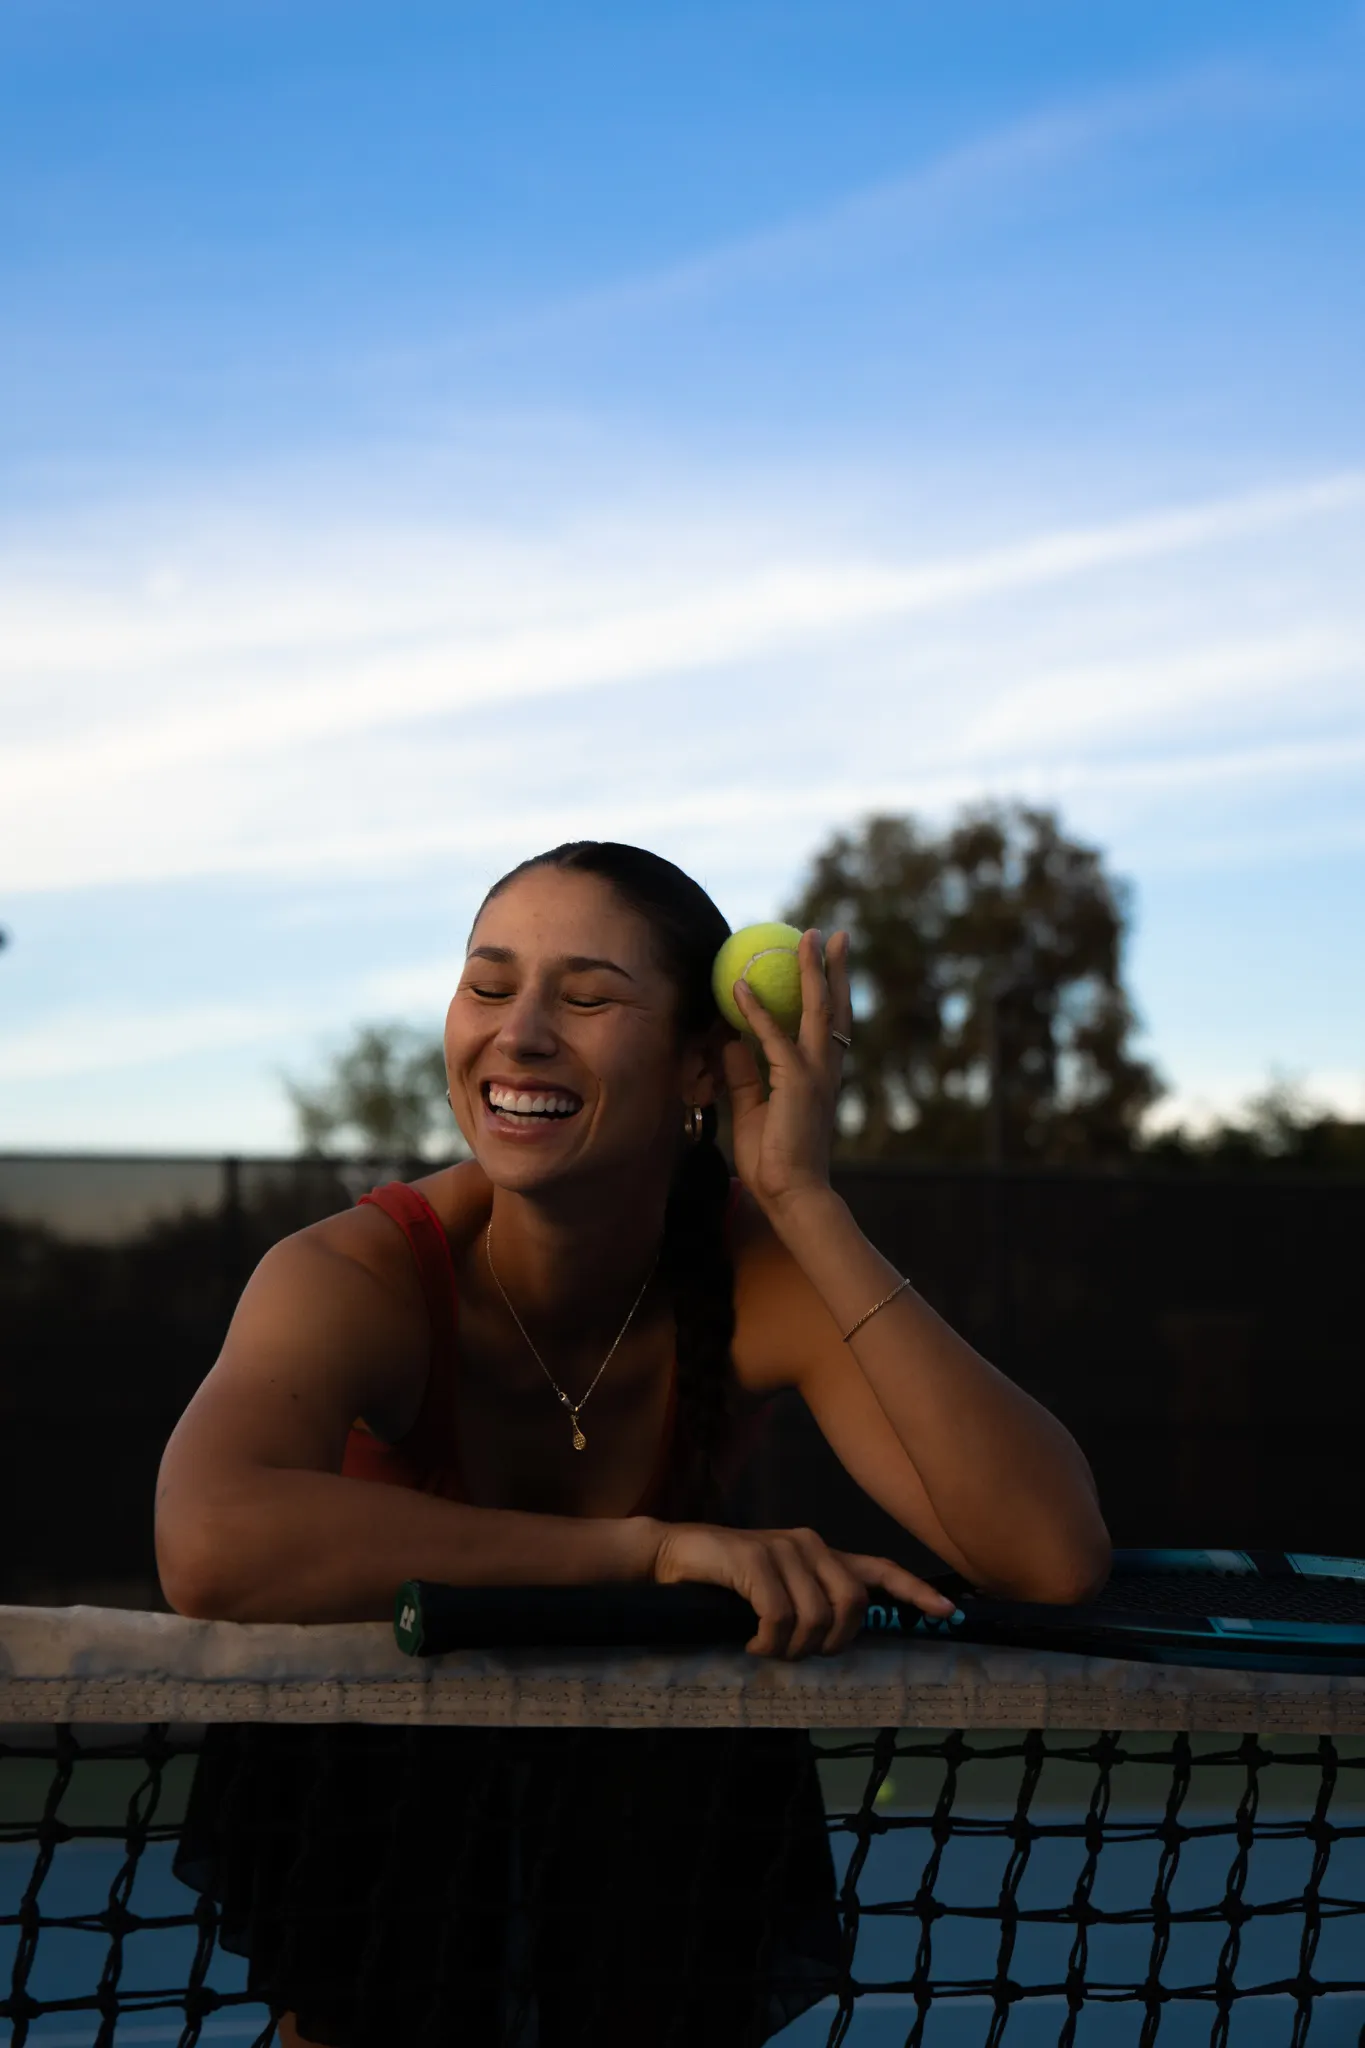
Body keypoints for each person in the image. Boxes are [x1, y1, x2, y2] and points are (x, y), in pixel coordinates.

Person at [156, 840, 1110, 2048]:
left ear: (701, 1067)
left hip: (652, 1776)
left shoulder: (758, 1268)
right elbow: (208, 1541)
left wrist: (808, 1198)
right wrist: (657, 1552)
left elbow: (1051, 1553)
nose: (521, 1033)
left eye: (591, 995)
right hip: (383, 1772)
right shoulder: (351, 1272)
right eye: (489, 985)